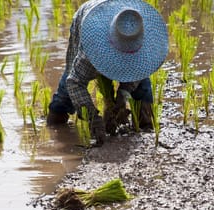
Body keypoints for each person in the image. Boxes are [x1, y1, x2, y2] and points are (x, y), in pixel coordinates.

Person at [47, 0, 168, 146]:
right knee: (69, 82)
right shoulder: (91, 49)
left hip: (121, 30)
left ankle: (145, 126)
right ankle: (56, 123)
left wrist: (123, 96)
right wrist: (92, 117)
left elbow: (138, 72)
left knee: (141, 82)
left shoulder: (138, 33)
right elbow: (75, 82)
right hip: (87, 20)